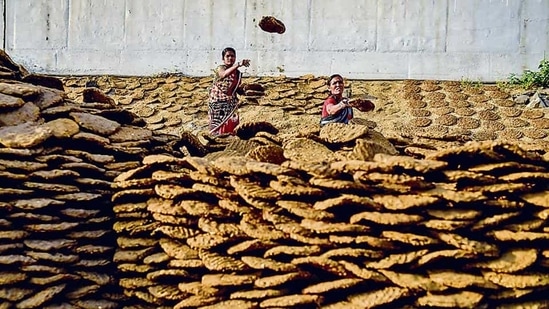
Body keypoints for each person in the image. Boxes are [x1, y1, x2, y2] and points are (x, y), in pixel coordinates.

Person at [208, 47, 250, 135]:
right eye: (227, 56)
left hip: (231, 104)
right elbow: (223, 74)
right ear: (223, 59)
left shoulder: (237, 73)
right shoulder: (220, 68)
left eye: (232, 56)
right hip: (218, 103)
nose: (230, 58)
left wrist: (246, 90)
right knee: (217, 128)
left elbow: (236, 89)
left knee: (231, 127)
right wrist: (238, 64)